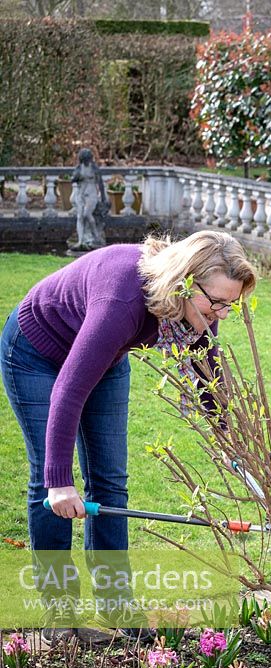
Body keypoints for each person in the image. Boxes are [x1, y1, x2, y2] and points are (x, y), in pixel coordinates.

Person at [0, 231, 257, 643]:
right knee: (48, 482)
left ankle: (116, 605)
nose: (222, 314)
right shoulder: (121, 302)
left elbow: (211, 379)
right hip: (36, 352)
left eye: (231, 304)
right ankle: (60, 613)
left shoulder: (196, 315)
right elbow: (69, 387)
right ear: (185, 283)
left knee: (110, 483)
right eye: (217, 302)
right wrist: (60, 483)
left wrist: (240, 453)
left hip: (106, 354)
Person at [71, 148, 109, 250]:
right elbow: (72, 179)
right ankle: (80, 240)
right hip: (80, 194)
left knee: (86, 214)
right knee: (80, 217)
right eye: (85, 159)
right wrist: (77, 177)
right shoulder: (79, 168)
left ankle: (95, 236)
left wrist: (103, 198)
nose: (87, 161)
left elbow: (100, 183)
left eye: (88, 159)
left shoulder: (94, 169)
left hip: (91, 193)